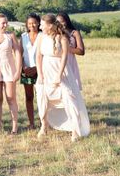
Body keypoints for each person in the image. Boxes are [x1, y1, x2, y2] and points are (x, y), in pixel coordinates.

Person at [35, 14, 90, 142]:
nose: (40, 26)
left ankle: (75, 130)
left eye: (42, 24)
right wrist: (40, 74)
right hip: (45, 70)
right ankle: (44, 125)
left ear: (50, 25)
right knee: (43, 99)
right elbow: (38, 56)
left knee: (70, 99)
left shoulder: (62, 38)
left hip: (61, 71)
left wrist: (59, 76)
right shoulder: (41, 37)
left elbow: (65, 57)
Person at [21, 13, 41, 130]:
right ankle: (31, 123)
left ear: (38, 23)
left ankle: (44, 121)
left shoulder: (43, 36)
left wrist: (36, 68)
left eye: (34, 23)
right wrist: (24, 67)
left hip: (40, 70)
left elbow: (45, 54)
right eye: (29, 23)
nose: (32, 25)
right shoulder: (23, 36)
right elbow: (20, 53)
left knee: (42, 96)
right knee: (29, 97)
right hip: (26, 70)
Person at [56, 12, 85, 91]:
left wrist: (67, 48)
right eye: (58, 22)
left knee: (71, 88)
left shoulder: (74, 33)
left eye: (62, 21)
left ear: (67, 21)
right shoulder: (55, 34)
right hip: (58, 61)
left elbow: (81, 51)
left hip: (70, 61)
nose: (61, 24)